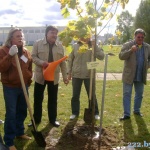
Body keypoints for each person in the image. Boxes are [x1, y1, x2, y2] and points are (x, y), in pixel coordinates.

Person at [30, 25, 69, 128]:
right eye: (52, 33)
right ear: (46, 34)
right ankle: (36, 119)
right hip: (40, 76)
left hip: (54, 77)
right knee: (38, 98)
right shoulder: (38, 44)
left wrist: (65, 76)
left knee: (53, 99)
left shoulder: (60, 46)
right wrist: (42, 63)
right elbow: (33, 57)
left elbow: (63, 63)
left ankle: (53, 119)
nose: (54, 35)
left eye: (56, 33)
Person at [0, 28, 32, 150]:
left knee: (22, 110)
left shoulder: (25, 52)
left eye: (21, 36)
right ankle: (9, 140)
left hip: (24, 86)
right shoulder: (3, 51)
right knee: (11, 114)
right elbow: (1, 68)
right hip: (10, 87)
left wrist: (28, 80)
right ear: (11, 38)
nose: (20, 38)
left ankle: (20, 132)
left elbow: (29, 67)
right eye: (17, 36)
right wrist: (9, 55)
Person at [67, 37, 104, 120]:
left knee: (91, 95)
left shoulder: (93, 46)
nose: (84, 38)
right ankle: (75, 113)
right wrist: (68, 72)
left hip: (89, 75)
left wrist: (95, 46)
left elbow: (101, 56)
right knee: (75, 95)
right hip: (76, 74)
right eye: (82, 36)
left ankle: (95, 112)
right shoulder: (75, 46)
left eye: (86, 36)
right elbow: (70, 60)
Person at [119, 28, 150, 121]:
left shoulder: (147, 47)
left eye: (142, 37)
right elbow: (121, 56)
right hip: (129, 75)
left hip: (140, 74)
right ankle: (126, 114)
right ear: (134, 36)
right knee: (127, 94)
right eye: (138, 37)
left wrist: (147, 66)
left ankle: (136, 110)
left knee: (139, 94)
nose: (140, 39)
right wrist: (130, 51)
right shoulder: (128, 45)